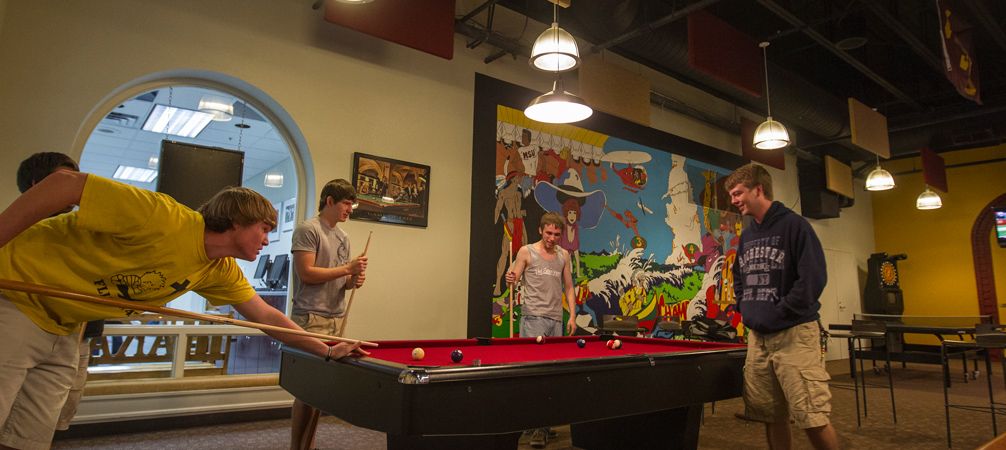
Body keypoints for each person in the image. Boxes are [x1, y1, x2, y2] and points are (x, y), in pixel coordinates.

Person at [0, 171, 365, 450]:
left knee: (28, 438)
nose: (268, 240)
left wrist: (327, 349)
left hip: (65, 325)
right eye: (264, 228)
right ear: (237, 220)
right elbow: (65, 183)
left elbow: (267, 316)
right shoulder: (164, 217)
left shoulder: (217, 268)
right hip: (15, 296)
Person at [725, 163, 839, 450]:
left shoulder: (795, 225)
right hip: (758, 338)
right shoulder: (748, 235)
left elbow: (813, 277)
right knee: (771, 415)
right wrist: (747, 307)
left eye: (738, 193)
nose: (734, 200)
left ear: (758, 189)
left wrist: (782, 310)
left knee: (811, 415)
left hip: (795, 335)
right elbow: (739, 276)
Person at [15, 152, 101, 433]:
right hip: (23, 328)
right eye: (63, 181)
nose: (71, 190)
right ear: (36, 183)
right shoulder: (16, 227)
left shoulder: (85, 230)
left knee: (55, 413)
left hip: (77, 334)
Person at [288, 179, 367, 450]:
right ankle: (298, 447)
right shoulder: (307, 229)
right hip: (310, 317)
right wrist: (347, 269)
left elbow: (340, 281)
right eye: (346, 203)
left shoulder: (343, 237)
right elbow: (307, 274)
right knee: (307, 390)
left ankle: (306, 446)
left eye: (352, 204)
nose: (350, 209)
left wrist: (353, 279)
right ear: (330, 201)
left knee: (319, 390)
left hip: (335, 318)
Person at [505, 212, 575, 448]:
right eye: (548, 233)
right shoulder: (527, 251)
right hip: (532, 317)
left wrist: (572, 315)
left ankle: (540, 423)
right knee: (534, 373)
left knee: (552, 375)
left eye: (556, 234)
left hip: (556, 320)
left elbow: (568, 287)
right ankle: (537, 426)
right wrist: (510, 278)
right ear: (541, 230)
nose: (552, 238)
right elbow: (514, 279)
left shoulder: (564, 255)